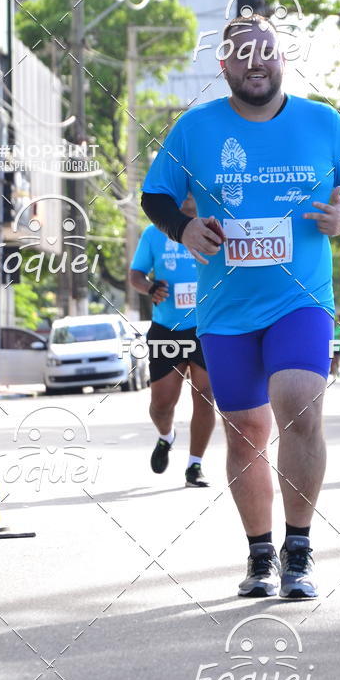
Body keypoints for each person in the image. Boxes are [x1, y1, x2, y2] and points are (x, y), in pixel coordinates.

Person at [140, 14, 340, 599]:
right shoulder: (195, 129)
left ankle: (300, 548)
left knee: (299, 406)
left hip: (300, 299)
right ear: (223, 65)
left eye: (265, 51)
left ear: (281, 58)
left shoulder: (323, 122)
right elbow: (155, 194)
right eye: (241, 54)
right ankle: (260, 555)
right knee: (245, 430)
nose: (254, 62)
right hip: (225, 308)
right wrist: (183, 228)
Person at [129, 196, 215, 487]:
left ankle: (195, 465)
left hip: (206, 326)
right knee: (162, 405)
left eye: (195, 189)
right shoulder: (155, 233)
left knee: (205, 396)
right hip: (167, 328)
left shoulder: (214, 226)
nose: (191, 196)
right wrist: (150, 287)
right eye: (186, 190)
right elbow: (135, 274)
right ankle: (166, 436)